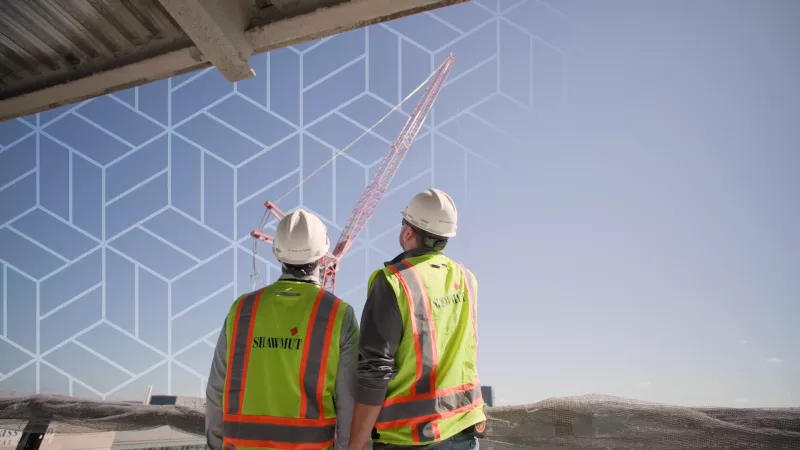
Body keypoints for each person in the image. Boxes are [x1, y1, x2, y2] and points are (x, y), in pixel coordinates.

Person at [205, 209, 359, 450]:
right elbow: (348, 402)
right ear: (322, 256)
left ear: (278, 253)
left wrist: (214, 446)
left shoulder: (242, 309)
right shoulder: (339, 314)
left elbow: (216, 391)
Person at [349, 188, 486, 450]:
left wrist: (354, 444)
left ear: (409, 231)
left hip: (410, 437)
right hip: (465, 429)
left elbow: (375, 371)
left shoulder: (392, 281)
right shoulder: (467, 279)